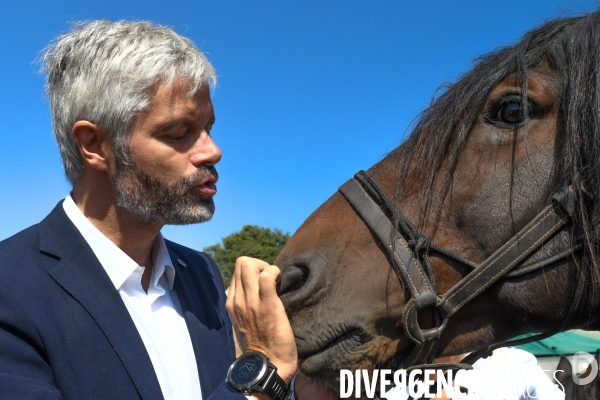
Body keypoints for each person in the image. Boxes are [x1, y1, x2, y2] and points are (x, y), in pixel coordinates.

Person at [0, 20, 297, 399]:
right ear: (94, 144)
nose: (212, 151)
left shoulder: (201, 271)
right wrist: (261, 376)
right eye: (178, 133)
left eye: (208, 127)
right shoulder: (10, 288)